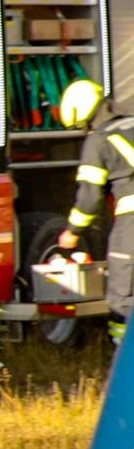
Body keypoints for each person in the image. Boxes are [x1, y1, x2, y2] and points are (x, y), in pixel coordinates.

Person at [54, 79, 134, 329]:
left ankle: (125, 361)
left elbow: (90, 198)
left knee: (123, 299)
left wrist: (72, 232)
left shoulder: (99, 140)